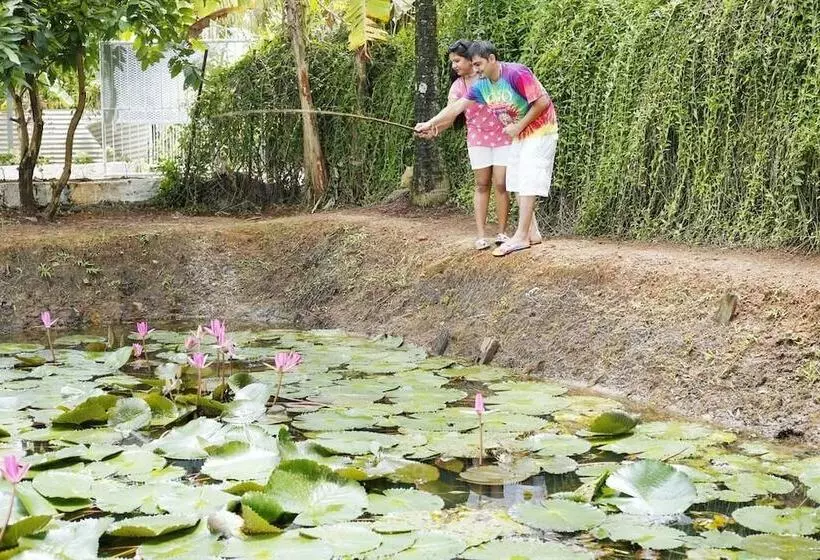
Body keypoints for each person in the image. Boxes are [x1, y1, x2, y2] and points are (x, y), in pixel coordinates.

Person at [415, 40, 557, 256]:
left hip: (540, 131)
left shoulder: (516, 74)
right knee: (516, 180)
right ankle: (532, 233)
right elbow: (456, 108)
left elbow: (543, 101)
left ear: (492, 59)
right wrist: (430, 123)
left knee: (527, 179)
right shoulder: (481, 86)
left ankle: (520, 237)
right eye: (474, 65)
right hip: (519, 134)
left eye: (479, 64)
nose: (477, 69)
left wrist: (518, 125)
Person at [419, 39, 511, 250]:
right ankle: (480, 235)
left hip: (503, 136)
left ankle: (502, 233)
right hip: (477, 139)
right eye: (452, 62)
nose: (454, 66)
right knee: (481, 184)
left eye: (458, 60)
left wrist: (431, 124)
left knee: (501, 183)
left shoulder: (488, 77)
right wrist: (433, 129)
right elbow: (451, 114)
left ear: (471, 60)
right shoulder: (457, 86)